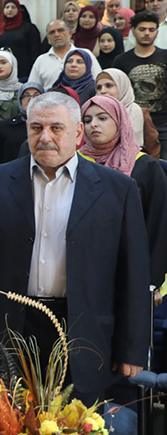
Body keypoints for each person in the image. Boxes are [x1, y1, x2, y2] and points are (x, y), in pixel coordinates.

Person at [0, 92, 148, 405]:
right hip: (15, 326)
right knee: (13, 425)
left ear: (78, 132)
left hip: (83, 330)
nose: (45, 137)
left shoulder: (118, 189)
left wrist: (132, 347)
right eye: (36, 128)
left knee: (77, 431)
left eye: (56, 128)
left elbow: (134, 273)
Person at [80, 94, 167, 289]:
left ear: (120, 121)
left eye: (103, 118)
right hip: (85, 267)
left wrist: (153, 282)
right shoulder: (75, 163)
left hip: (132, 266)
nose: (94, 124)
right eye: (87, 120)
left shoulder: (145, 166)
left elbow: (158, 225)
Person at [113, 11, 167, 153]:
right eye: (142, 29)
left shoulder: (165, 56)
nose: (147, 33)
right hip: (132, 124)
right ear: (133, 31)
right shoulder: (121, 60)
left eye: (151, 29)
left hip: (164, 124)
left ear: (157, 32)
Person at [95, 69, 160, 158]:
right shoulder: (93, 113)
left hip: (135, 162)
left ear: (122, 86)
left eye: (109, 86)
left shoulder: (139, 112)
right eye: (99, 87)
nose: (103, 91)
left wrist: (148, 166)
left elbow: (152, 148)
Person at [28, 19, 101, 90]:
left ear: (70, 34)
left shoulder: (85, 54)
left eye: (61, 30)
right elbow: (32, 89)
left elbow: (99, 81)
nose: (56, 35)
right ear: (48, 38)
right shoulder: (41, 60)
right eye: (52, 32)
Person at [0, 82, 43, 165]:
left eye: (36, 95)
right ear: (20, 100)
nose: (31, 99)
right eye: (26, 95)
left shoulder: (49, 126)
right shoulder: (6, 126)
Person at [0, 0, 40, 75]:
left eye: (13, 7)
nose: (10, 10)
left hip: (24, 69)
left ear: (18, 10)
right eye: (7, 7)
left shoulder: (28, 28)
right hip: (1, 70)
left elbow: (35, 50)